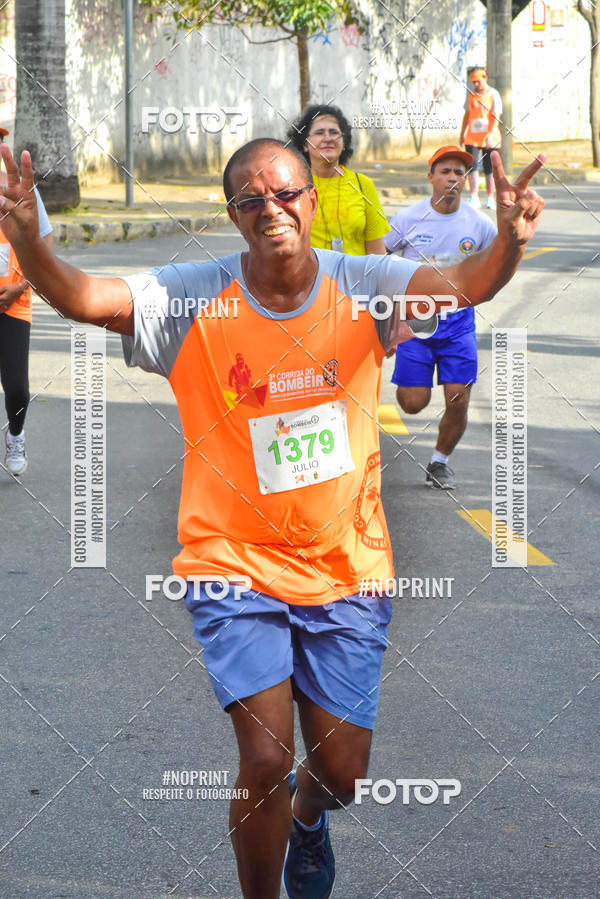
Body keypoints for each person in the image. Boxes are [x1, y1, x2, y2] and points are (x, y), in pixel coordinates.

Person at [0, 137, 545, 899]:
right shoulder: (196, 298)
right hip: (232, 563)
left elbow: (463, 285)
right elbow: (90, 297)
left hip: (346, 565)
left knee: (342, 774)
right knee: (263, 757)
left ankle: (311, 819)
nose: (271, 209)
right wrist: (31, 240)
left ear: (311, 201)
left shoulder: (366, 284)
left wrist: (511, 245)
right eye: (251, 200)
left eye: (285, 194)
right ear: (233, 214)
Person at [385, 145, 497, 489]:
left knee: (459, 398)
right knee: (412, 402)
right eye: (445, 171)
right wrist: (386, 317)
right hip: (415, 324)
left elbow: (496, 265)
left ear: (466, 179)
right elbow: (378, 262)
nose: (452, 178)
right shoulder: (407, 219)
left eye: (459, 172)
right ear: (431, 176)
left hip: (459, 326)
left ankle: (439, 462)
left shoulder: (479, 225)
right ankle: (419, 383)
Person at [0, 127, 53, 476]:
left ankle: (15, 435)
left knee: (16, 385)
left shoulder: (21, 192)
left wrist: (17, 289)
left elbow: (45, 249)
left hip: (14, 302)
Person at [287, 104, 389, 254]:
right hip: (311, 277)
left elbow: (377, 254)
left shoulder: (363, 185)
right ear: (305, 145)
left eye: (334, 132)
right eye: (320, 132)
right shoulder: (293, 186)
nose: (328, 138)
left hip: (356, 276)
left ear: (344, 143)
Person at [459, 65, 502, 209]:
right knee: (471, 166)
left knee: (489, 168)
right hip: (472, 138)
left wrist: (490, 134)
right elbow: (467, 115)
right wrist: (462, 134)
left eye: (478, 81)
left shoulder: (493, 94)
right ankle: (474, 195)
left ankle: (490, 196)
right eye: (474, 82)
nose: (476, 84)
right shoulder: (471, 95)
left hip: (489, 138)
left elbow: (496, 116)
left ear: (485, 78)